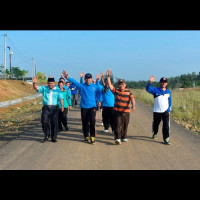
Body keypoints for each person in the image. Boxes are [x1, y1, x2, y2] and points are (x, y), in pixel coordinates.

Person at [62, 70, 102, 144]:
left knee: (92, 121)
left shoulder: (95, 86)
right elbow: (74, 82)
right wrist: (67, 77)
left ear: (91, 79)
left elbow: (100, 93)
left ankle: (92, 137)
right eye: (86, 78)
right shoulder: (82, 86)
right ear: (85, 79)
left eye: (89, 78)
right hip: (84, 107)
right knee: (85, 122)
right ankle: (86, 136)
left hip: (92, 107)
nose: (88, 79)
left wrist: (99, 100)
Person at [106, 69, 136, 145]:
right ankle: (117, 138)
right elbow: (110, 86)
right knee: (117, 125)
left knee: (125, 125)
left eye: (122, 84)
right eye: (119, 84)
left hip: (126, 112)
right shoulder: (116, 91)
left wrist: (133, 105)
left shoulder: (128, 92)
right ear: (118, 85)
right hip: (117, 111)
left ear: (125, 84)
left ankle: (124, 137)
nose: (121, 85)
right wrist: (108, 77)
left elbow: (132, 98)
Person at [33, 77, 64, 143]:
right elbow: (36, 88)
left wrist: (62, 106)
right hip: (46, 108)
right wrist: (34, 83)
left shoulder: (57, 90)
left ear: (54, 83)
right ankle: (46, 135)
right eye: (49, 83)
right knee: (44, 121)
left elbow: (61, 98)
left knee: (54, 123)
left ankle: (54, 137)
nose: (50, 85)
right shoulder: (44, 88)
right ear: (47, 83)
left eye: (51, 83)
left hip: (54, 108)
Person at [146, 75, 172, 145]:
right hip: (157, 111)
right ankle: (155, 133)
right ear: (160, 83)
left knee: (166, 125)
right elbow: (148, 89)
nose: (163, 83)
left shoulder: (168, 91)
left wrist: (169, 108)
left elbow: (170, 100)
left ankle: (166, 138)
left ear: (166, 83)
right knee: (156, 124)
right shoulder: (155, 90)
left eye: (165, 82)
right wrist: (150, 82)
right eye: (162, 82)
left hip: (165, 111)